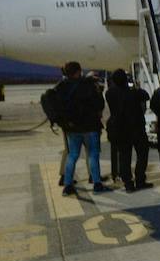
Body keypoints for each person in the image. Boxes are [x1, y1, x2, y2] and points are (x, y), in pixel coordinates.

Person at [52, 61, 109, 195]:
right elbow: (99, 104)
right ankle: (96, 183)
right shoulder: (88, 84)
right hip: (90, 126)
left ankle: (67, 185)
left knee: (72, 155)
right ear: (78, 72)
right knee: (93, 155)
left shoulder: (62, 86)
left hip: (72, 128)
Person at [106, 69, 152, 192]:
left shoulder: (109, 93)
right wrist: (135, 86)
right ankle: (140, 179)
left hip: (120, 130)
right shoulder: (133, 93)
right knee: (142, 154)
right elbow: (146, 95)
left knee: (124, 157)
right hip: (136, 128)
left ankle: (128, 183)